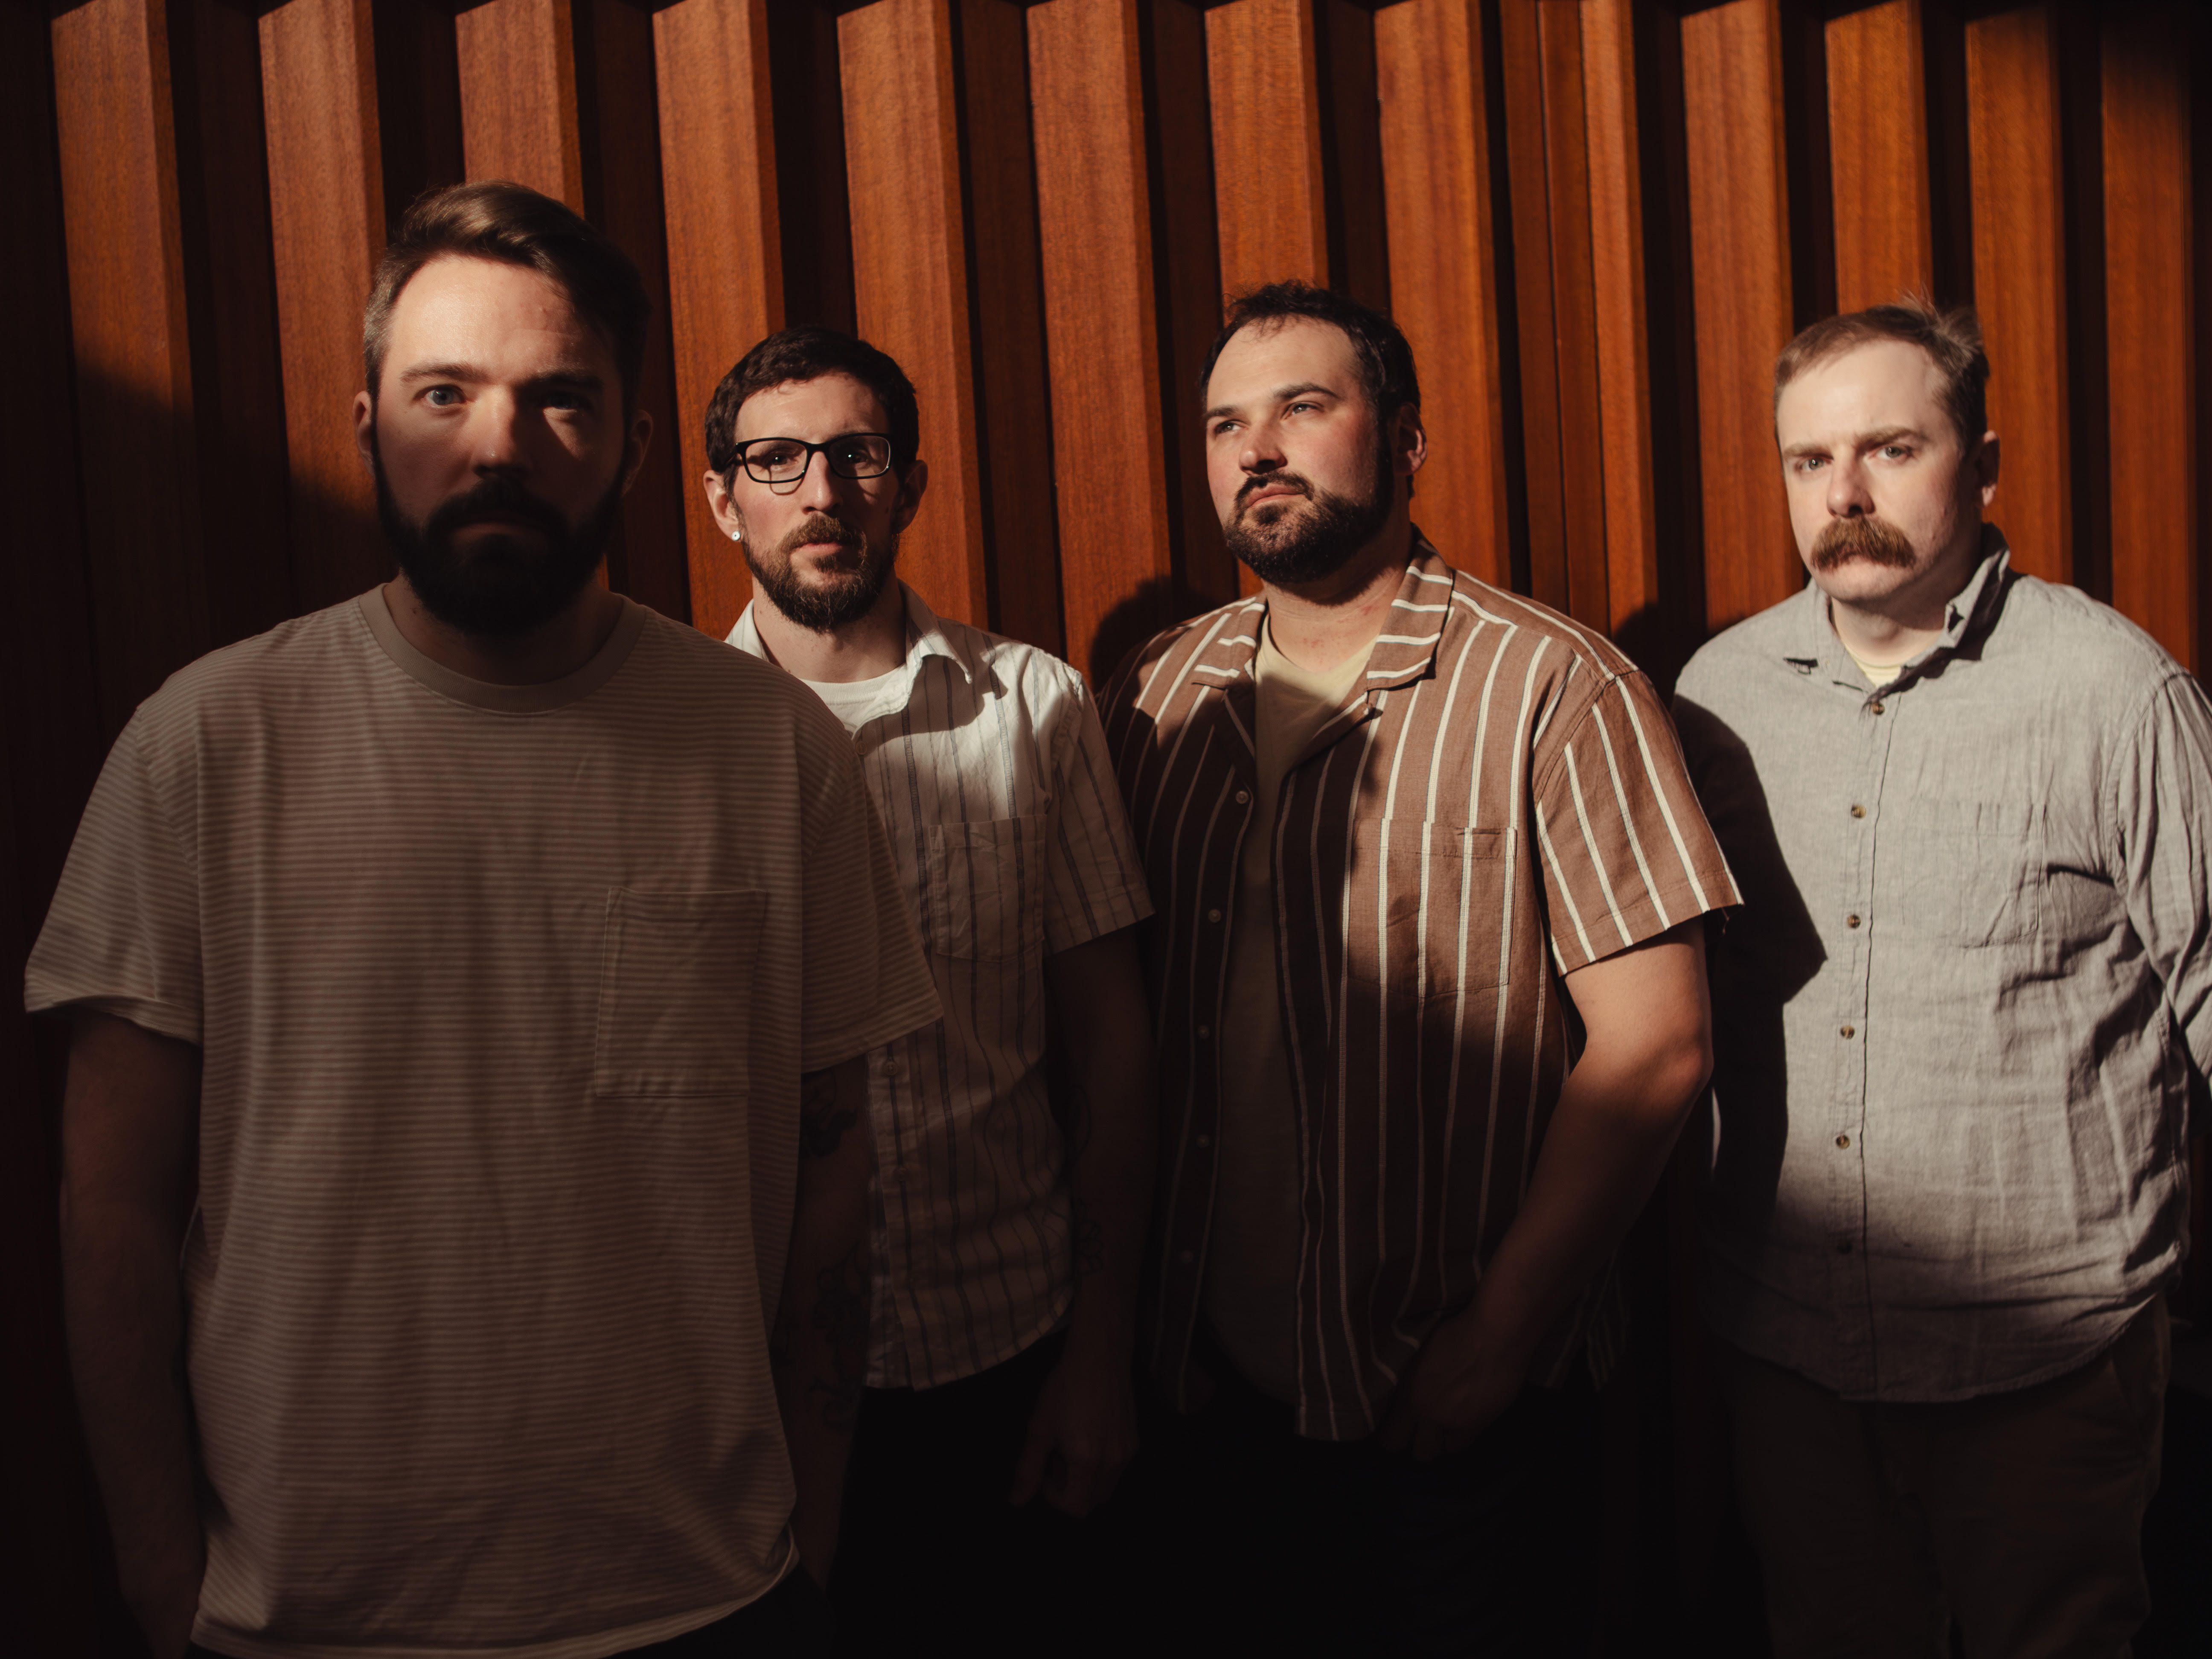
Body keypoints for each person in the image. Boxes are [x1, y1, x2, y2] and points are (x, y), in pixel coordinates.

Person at [30, 181, 940, 1659]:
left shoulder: (776, 755)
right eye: (443, 393)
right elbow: (109, 1204)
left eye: (560, 398)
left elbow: (832, 1193)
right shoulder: (202, 744)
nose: (499, 445)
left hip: (709, 1598)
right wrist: (156, 1577)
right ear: (368, 426)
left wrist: (812, 1538)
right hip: (303, 1618)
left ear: (634, 444)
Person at [1099, 280, 1736, 1652]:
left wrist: (1499, 1340)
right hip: (1211, 1394)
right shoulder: (1159, 694)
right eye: (1225, 424)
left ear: (1405, 440)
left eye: (1302, 408)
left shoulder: (1555, 685)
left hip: (1450, 1402)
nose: (1258, 449)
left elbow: (1658, 1046)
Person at [1674, 297, 2205, 1658]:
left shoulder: (2114, 692)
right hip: (1792, 1349)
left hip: (2043, 1358)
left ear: (1984, 464)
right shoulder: (1717, 697)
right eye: (1809, 460)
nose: (1843, 494)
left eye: (1891, 449)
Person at [700, 327, 1157, 1652]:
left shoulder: (1034, 707)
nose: (821, 492)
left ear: (909, 483)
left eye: (858, 455)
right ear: (723, 500)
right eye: (776, 461)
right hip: (753, 1389)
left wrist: (1100, 1354)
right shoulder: (665, 743)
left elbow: (1115, 1051)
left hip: (1004, 1362)